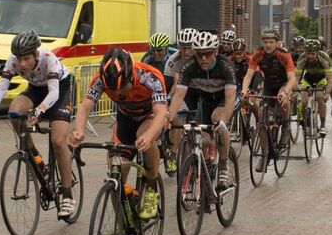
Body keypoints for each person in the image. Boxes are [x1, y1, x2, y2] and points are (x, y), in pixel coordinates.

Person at [0, 30, 76, 217]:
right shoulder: (13, 61)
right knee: (14, 111)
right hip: (36, 89)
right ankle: (36, 159)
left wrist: (40, 110)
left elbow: (54, 93)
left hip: (59, 89)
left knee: (58, 141)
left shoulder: (48, 59)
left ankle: (67, 194)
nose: (22, 64)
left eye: (26, 59)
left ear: (36, 54)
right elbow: (2, 87)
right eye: (19, 59)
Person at [69, 48, 168, 220]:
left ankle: (151, 189)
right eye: (112, 89)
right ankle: (122, 228)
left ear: (131, 76)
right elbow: (85, 106)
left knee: (143, 135)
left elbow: (160, 112)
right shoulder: (101, 79)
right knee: (116, 175)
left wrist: (150, 136)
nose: (118, 93)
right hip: (125, 120)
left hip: (150, 117)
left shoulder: (149, 77)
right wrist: (79, 130)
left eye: (122, 87)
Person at [168, 31, 238, 189]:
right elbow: (179, 96)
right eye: (199, 55)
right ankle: (206, 166)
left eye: (208, 54)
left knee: (217, 119)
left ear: (216, 52)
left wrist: (224, 121)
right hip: (206, 100)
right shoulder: (189, 66)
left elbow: (230, 98)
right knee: (202, 136)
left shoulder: (225, 66)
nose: (204, 58)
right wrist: (168, 118)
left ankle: (223, 165)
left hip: (224, 100)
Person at [241, 28, 297, 147]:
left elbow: (292, 79)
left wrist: (285, 92)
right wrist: (244, 90)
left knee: (284, 100)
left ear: (277, 43)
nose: (268, 45)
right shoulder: (258, 54)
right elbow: (248, 75)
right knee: (262, 115)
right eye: (265, 42)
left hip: (283, 83)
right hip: (269, 83)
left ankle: (286, 125)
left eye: (271, 42)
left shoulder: (284, 55)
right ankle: (264, 153)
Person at [163, 27, 199, 174]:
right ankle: (173, 152)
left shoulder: (203, 57)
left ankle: (209, 154)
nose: (186, 51)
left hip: (203, 93)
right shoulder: (174, 60)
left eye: (189, 47)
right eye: (182, 47)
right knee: (177, 117)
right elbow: (170, 85)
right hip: (184, 94)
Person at [294, 38, 332, 136]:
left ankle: (323, 126)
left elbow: (330, 79)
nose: (310, 56)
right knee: (303, 102)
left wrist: (327, 93)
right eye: (308, 53)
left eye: (312, 54)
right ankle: (305, 124)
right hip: (308, 78)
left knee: (320, 97)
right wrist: (294, 90)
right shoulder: (302, 58)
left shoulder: (324, 58)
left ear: (317, 52)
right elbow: (297, 77)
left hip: (321, 78)